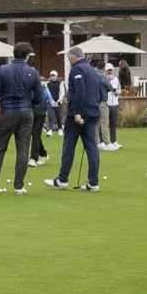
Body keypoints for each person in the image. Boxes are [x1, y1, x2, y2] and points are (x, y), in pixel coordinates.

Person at [0, 43, 42, 193]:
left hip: (7, 113)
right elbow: (39, 98)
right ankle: (19, 186)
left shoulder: (3, 70)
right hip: (26, 113)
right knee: (22, 150)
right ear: (27, 56)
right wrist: (29, 103)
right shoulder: (33, 72)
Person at [47, 49, 106, 191]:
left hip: (78, 114)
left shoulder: (77, 69)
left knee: (69, 146)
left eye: (69, 59)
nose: (68, 62)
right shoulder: (93, 70)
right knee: (91, 147)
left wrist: (77, 112)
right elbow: (100, 92)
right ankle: (93, 182)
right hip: (93, 112)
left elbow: (80, 91)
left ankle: (62, 179)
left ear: (73, 57)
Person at [103, 62, 123, 150]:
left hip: (114, 103)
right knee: (104, 123)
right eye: (108, 70)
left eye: (111, 70)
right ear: (105, 70)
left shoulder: (116, 79)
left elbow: (119, 90)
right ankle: (104, 142)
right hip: (105, 103)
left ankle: (113, 141)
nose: (109, 72)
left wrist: (117, 92)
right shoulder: (103, 79)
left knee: (113, 123)